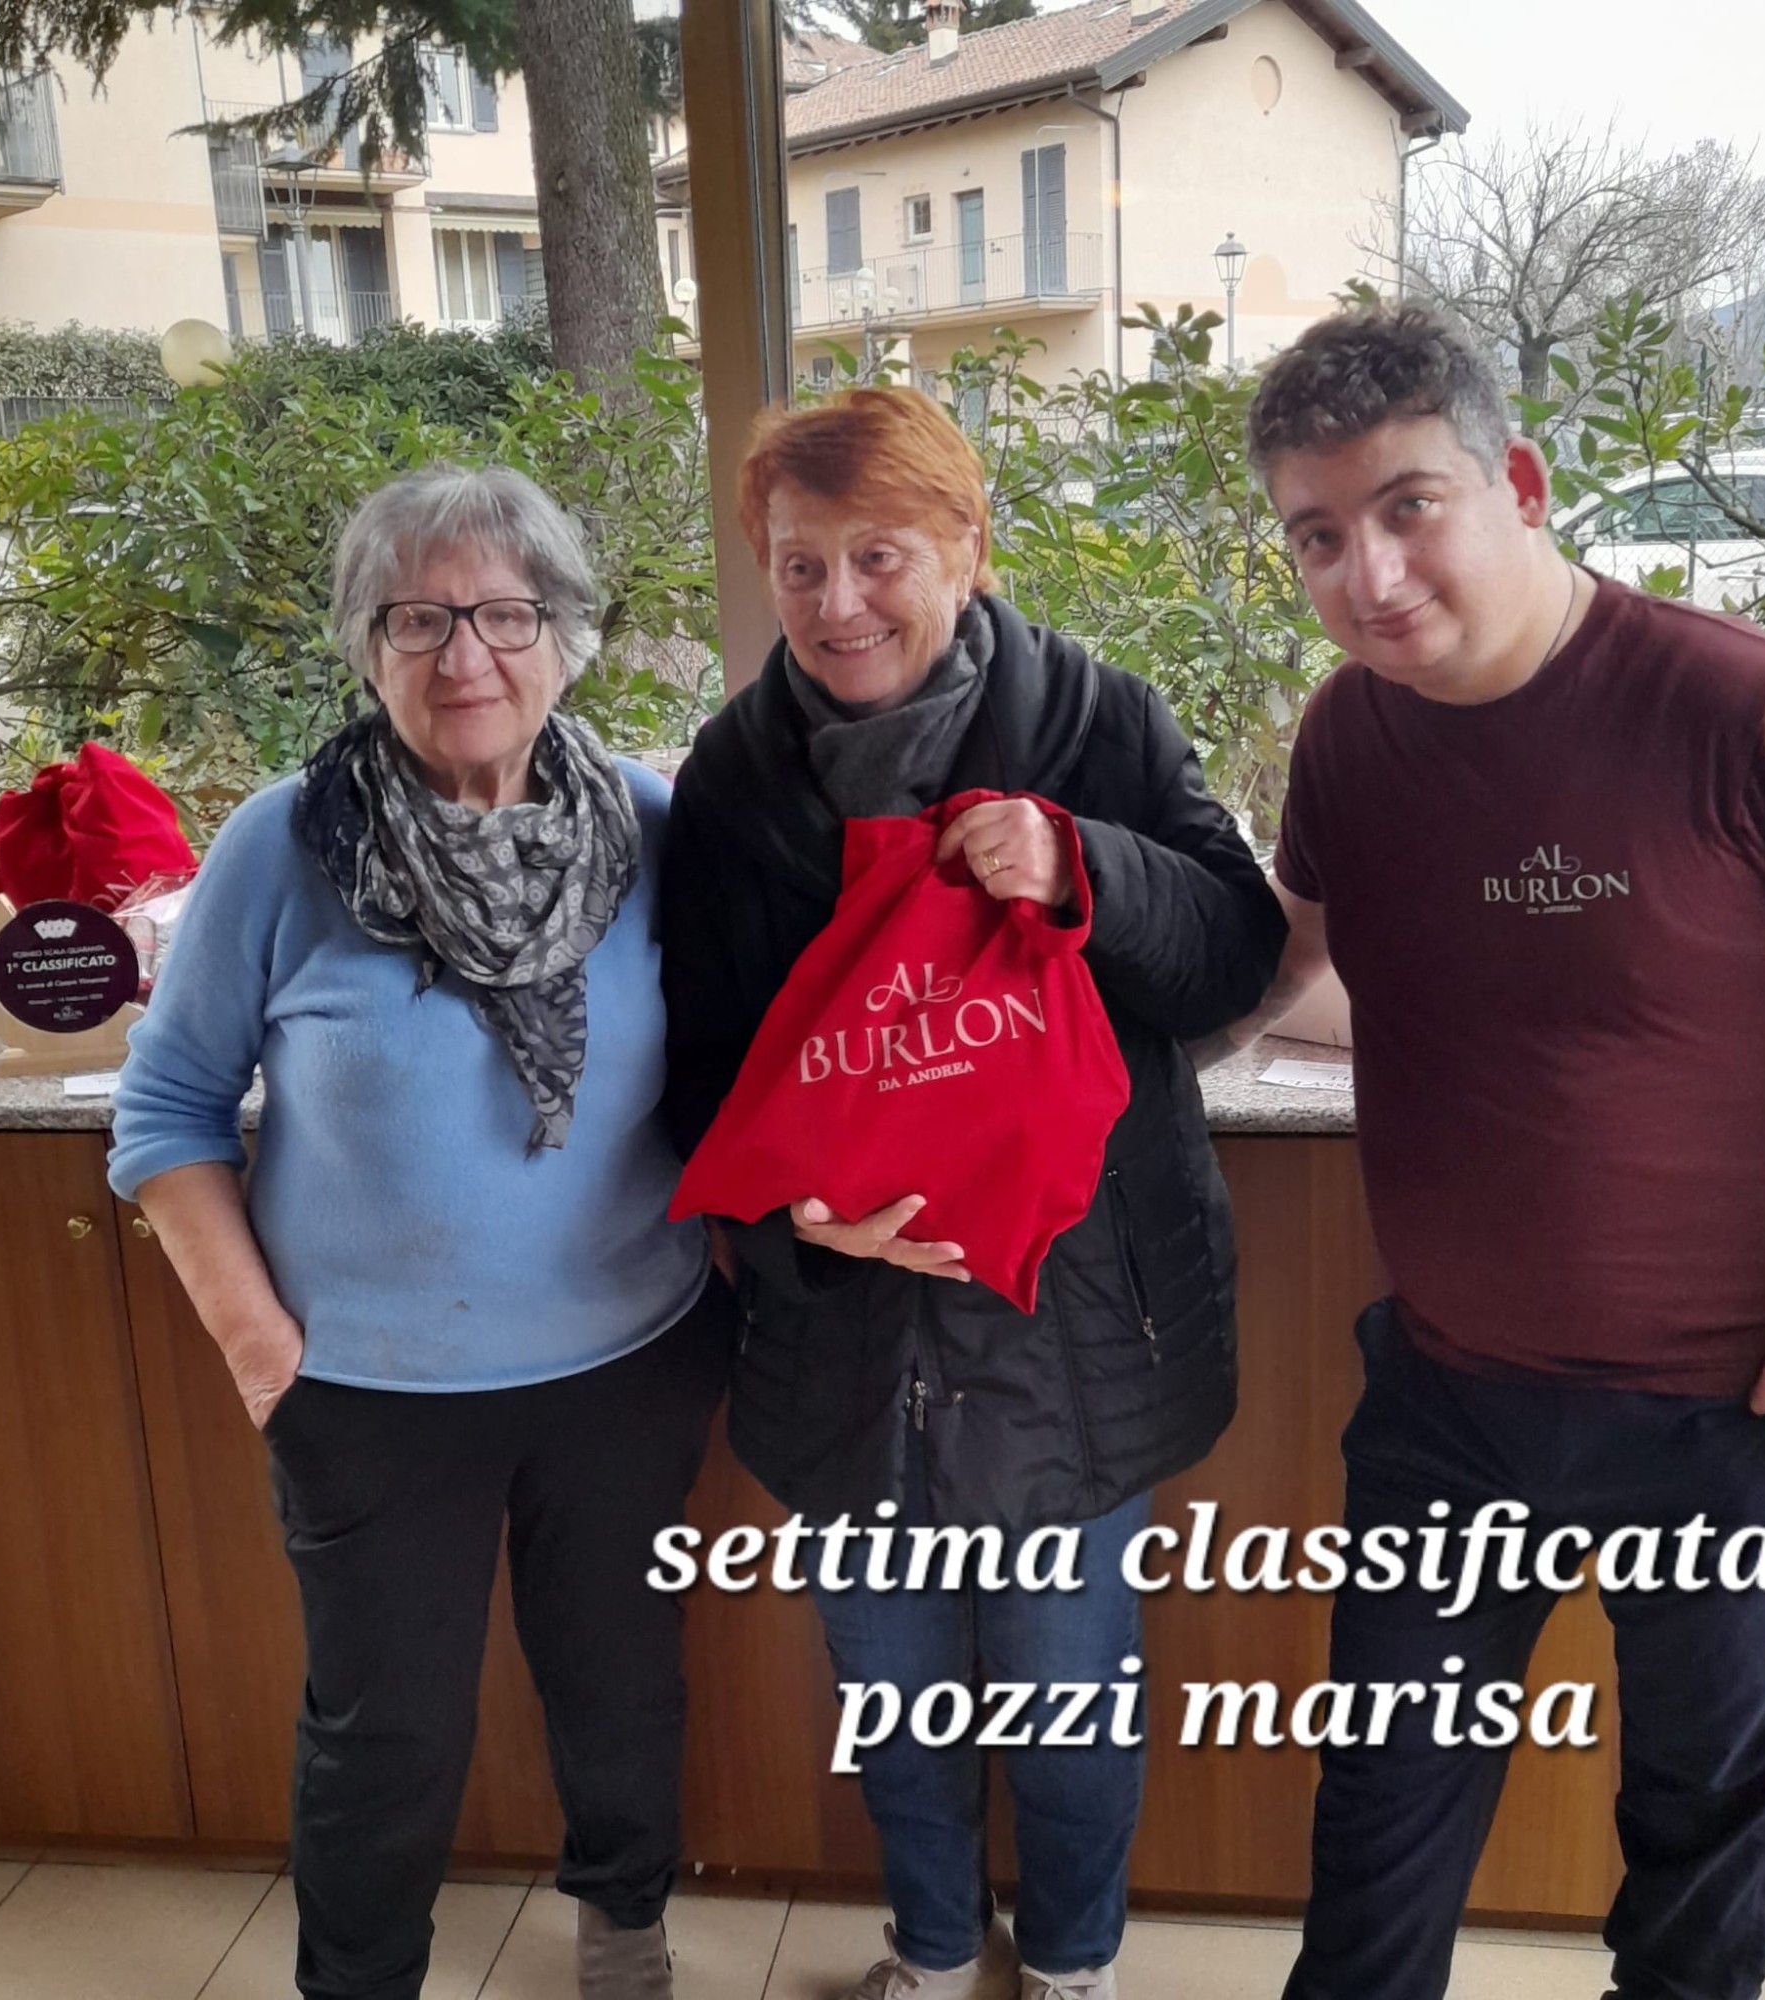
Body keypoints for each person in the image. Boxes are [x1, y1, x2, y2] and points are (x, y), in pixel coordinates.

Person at [1232, 305, 1765, 2000]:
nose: (1368, 574)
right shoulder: (1349, 734)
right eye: (1317, 536)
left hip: (1749, 1407)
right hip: (1452, 1399)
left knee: (1701, 1851)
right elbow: (1281, 973)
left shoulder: (1754, 711)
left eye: (1408, 507)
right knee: (1378, 1823)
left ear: (1521, 483)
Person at [659, 386, 1285, 2000]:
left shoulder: (1101, 722)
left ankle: (1070, 1965)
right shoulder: (734, 777)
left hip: (1068, 1330)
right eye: (801, 565)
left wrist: (1088, 868)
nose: (839, 603)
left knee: (1069, 1695)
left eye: (879, 556)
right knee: (892, 1695)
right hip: (843, 1337)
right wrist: (792, 1220)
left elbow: (1236, 951)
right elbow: (703, 1059)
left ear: (969, 549)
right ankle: (933, 1954)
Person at [108, 464, 729, 2000]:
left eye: (508, 616)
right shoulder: (279, 847)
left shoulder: (656, 830)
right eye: (418, 620)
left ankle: (626, 1930)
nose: (467, 658)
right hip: (367, 1390)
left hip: (628, 1363)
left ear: (566, 636)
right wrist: (261, 1347)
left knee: (620, 1687)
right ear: (364, 644)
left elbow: (747, 1062)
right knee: (383, 1732)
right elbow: (167, 1112)